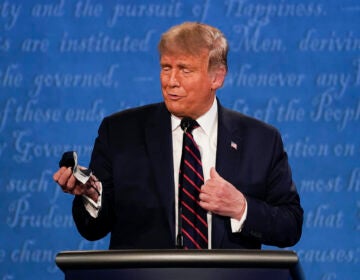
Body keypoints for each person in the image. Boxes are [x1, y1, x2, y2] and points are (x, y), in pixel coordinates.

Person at [53, 22, 303, 250]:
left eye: (184, 69)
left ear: (217, 76)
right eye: (166, 68)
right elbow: (93, 229)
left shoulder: (261, 140)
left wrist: (241, 207)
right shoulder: (120, 133)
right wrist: (92, 196)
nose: (171, 81)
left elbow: (290, 225)